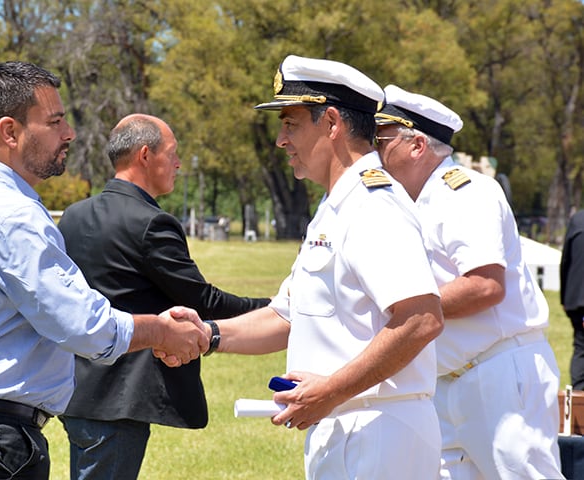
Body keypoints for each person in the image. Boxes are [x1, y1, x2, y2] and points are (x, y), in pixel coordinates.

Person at [0, 60, 208, 480]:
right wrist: (162, 331)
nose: (69, 134)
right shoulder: (13, 214)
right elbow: (82, 325)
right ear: (10, 131)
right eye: (55, 121)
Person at [171, 55, 444, 479]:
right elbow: (287, 316)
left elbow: (421, 319)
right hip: (346, 425)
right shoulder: (336, 207)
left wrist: (331, 391)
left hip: (377, 431)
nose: (281, 140)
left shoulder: (374, 206)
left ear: (332, 123)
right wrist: (207, 335)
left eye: (291, 124)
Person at [57, 114, 271, 480]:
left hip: (75, 389)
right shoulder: (152, 222)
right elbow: (203, 302)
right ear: (144, 155)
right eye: (172, 153)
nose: (178, 163)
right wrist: (275, 309)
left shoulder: (74, 216)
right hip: (119, 399)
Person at [375, 84, 563, 479]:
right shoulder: (406, 202)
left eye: (382, 137)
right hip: (446, 380)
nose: (374, 148)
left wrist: (408, 313)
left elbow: (485, 285)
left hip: (497, 373)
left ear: (417, 144)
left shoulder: (464, 191)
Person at [562, 209, 584, 390]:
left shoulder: (577, 220)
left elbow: (566, 261)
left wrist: (564, 298)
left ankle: (578, 397)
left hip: (576, 300)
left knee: (581, 346)